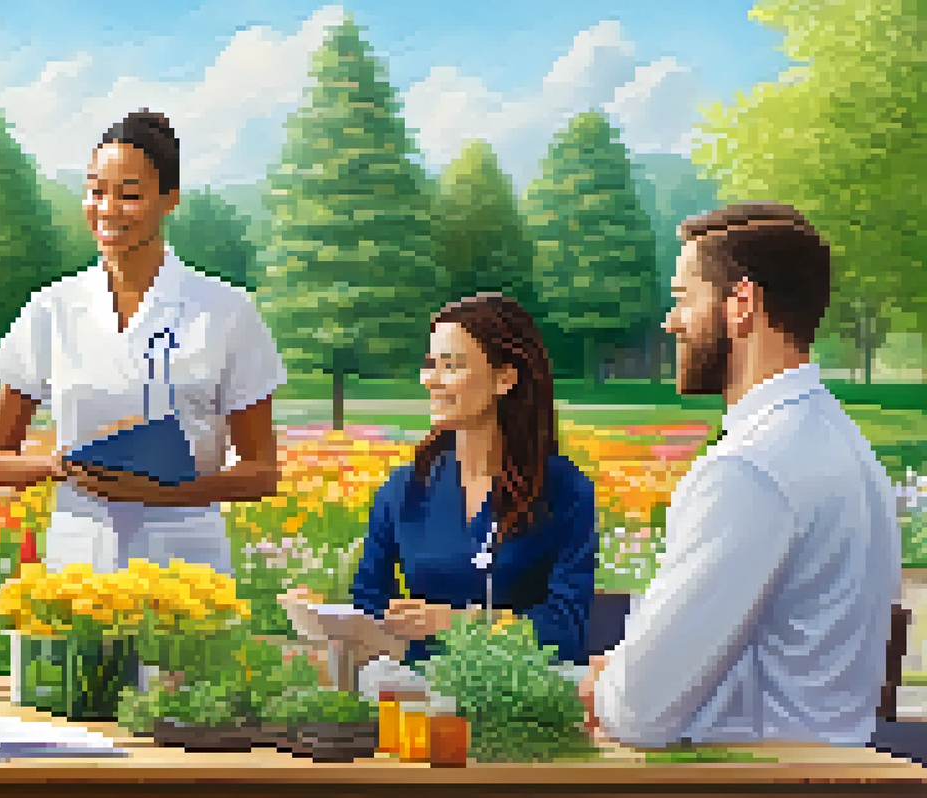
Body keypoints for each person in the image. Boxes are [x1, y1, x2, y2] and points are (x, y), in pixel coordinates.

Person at [579, 203, 901, 748]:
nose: (670, 322)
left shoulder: (749, 469)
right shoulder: (841, 440)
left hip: (751, 776)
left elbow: (638, 711)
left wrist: (609, 683)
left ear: (741, 304)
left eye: (683, 299)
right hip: (831, 770)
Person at [0, 109, 285, 575]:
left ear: (169, 199)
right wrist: (58, 467)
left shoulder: (227, 311)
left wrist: (166, 494)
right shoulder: (52, 309)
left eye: (130, 194)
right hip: (79, 566)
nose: (107, 209)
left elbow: (261, 471)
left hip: (187, 569)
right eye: (96, 191)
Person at [348, 293, 597, 666]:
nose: (430, 380)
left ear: (504, 379)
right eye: (430, 364)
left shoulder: (564, 491)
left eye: (451, 365)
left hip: (525, 702)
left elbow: (566, 631)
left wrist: (456, 622)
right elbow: (367, 605)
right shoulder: (405, 490)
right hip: (418, 700)